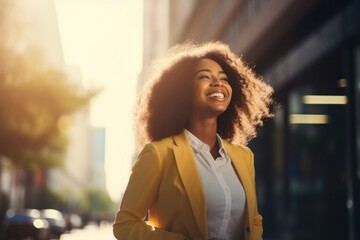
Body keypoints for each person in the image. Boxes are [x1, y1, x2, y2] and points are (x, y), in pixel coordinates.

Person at [113, 41, 273, 240]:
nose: (218, 83)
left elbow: (254, 219)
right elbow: (125, 226)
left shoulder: (244, 157)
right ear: (183, 91)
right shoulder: (159, 155)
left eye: (223, 78)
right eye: (205, 77)